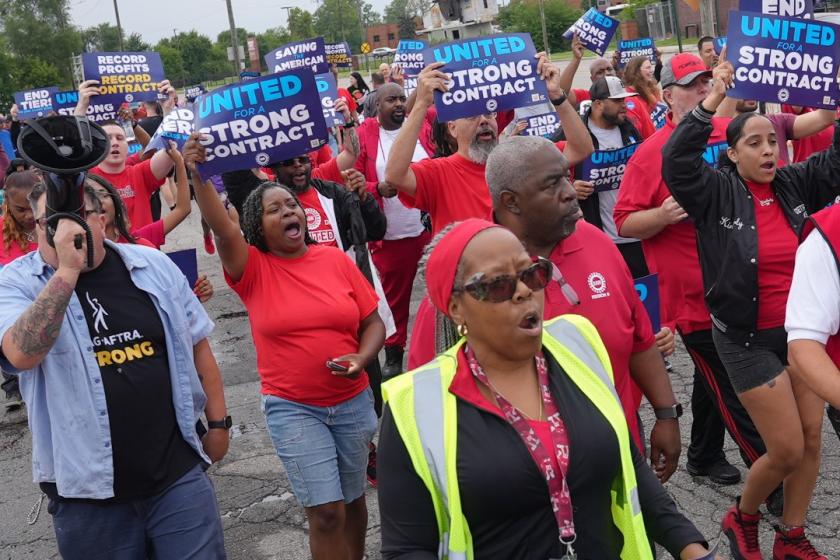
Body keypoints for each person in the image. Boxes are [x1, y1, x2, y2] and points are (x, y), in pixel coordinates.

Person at [378, 218, 719, 559]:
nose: (525, 290)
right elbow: (407, 548)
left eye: (532, 274)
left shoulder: (578, 342)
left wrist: (691, 548)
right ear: (455, 308)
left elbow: (626, 464)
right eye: (498, 284)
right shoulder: (416, 404)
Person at [662, 58, 838, 560]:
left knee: (810, 440)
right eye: (754, 143)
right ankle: (741, 518)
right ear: (733, 153)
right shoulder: (714, 192)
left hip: (800, 335)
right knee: (784, 448)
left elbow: (838, 161)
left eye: (772, 142)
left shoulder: (793, 184)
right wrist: (713, 96)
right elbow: (677, 161)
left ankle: (792, 536)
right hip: (744, 339)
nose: (767, 150)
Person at [0, 181, 229, 559]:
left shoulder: (151, 265)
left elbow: (198, 343)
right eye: (50, 223)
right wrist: (67, 273)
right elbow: (21, 354)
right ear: (36, 228)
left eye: (77, 218)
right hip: (87, 496)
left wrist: (218, 425)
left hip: (175, 476)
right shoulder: (16, 283)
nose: (63, 232)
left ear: (102, 219)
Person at [183, 139, 384, 560]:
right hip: (294, 408)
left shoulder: (334, 261)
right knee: (326, 512)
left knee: (353, 502)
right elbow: (222, 227)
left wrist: (363, 359)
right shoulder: (252, 267)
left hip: (352, 403)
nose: (288, 212)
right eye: (273, 210)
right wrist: (198, 176)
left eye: (291, 206)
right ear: (258, 225)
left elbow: (372, 322)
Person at [489, 135, 682, 480]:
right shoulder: (482, 272)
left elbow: (638, 339)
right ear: (511, 202)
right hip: (531, 477)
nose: (569, 190)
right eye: (552, 184)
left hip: (620, 448)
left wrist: (666, 414)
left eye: (566, 176)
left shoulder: (596, 241)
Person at [615, 52, 766, 491]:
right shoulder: (650, 154)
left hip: (738, 284)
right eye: (693, 85)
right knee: (735, 386)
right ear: (667, 96)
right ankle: (772, 481)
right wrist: (661, 215)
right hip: (693, 297)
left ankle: (702, 454)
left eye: (707, 82)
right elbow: (624, 221)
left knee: (711, 377)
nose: (704, 90)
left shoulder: (728, 134)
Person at [385, 53, 594, 369]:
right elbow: (395, 175)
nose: (485, 120)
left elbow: (581, 149)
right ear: (452, 128)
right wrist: (420, 103)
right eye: (472, 116)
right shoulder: (439, 172)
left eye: (490, 114)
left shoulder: (518, 162)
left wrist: (558, 97)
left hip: (524, 291)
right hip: (471, 303)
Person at [356, 82, 433, 379]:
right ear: (377, 106)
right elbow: (355, 182)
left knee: (443, 292)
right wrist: (379, 188)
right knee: (394, 300)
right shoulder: (365, 135)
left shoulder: (422, 127)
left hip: (428, 229)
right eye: (392, 100)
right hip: (392, 236)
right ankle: (394, 352)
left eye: (403, 98)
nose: (399, 104)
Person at [559, 75, 648, 278]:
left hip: (637, 235)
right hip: (599, 239)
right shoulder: (574, 134)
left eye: (625, 100)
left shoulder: (630, 129)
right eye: (617, 101)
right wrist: (570, 186)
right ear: (598, 104)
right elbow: (547, 171)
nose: (624, 105)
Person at [74, 81, 176, 229]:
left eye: (120, 138)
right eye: (108, 138)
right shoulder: (86, 177)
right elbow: (71, 156)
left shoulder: (140, 173)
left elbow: (168, 149)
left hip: (141, 250)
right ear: (98, 146)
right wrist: (81, 107)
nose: (114, 142)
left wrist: (168, 109)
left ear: (127, 146)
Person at [0, 170, 40, 410]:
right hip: (13, 305)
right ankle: (12, 386)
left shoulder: (51, 223)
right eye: (20, 209)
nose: (29, 215)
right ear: (7, 204)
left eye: (32, 207)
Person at [558, 34, 617, 109]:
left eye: (609, 69)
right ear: (592, 79)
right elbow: (560, 92)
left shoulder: (628, 95)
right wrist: (576, 58)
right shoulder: (585, 97)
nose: (607, 73)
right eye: (600, 72)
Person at [623, 55, 662, 138]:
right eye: (647, 68)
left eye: (651, 67)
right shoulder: (629, 97)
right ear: (636, 71)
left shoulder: (653, 89)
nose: (651, 71)